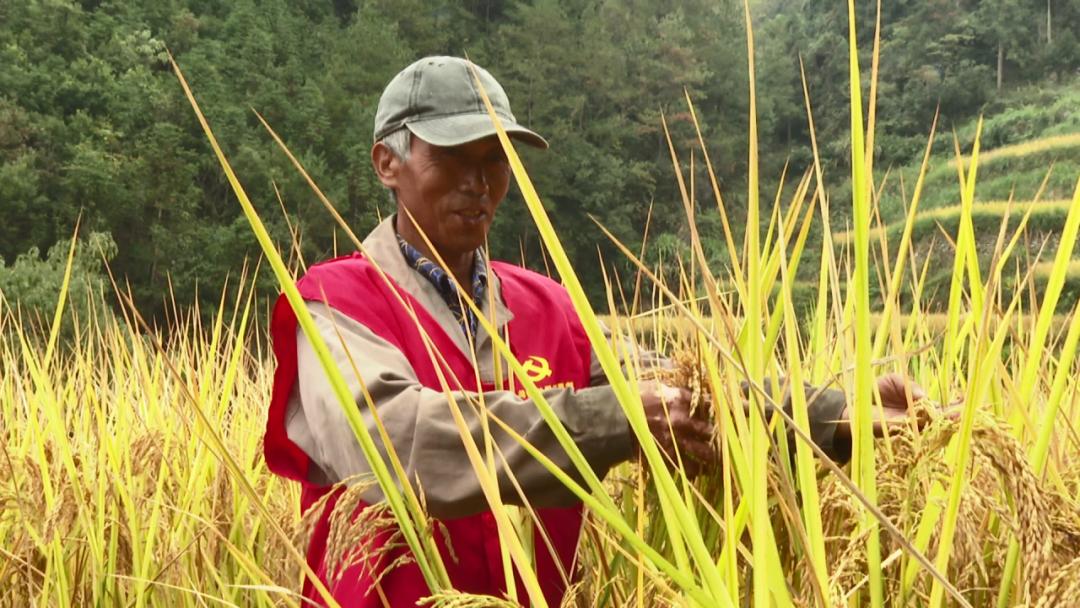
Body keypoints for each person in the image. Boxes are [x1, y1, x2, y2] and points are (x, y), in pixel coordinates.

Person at [263, 56, 926, 607]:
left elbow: (690, 396)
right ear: (388, 163)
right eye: (453, 157)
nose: (479, 182)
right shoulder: (334, 306)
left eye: (496, 158)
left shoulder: (548, 308)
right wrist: (614, 419)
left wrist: (846, 416)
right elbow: (393, 443)